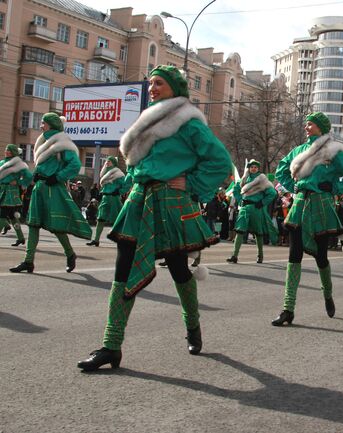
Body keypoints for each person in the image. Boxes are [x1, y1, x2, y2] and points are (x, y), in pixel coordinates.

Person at [77, 65, 232, 372]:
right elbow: (136, 164)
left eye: (159, 83)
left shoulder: (189, 123)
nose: (153, 88)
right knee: (123, 267)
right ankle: (111, 346)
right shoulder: (147, 123)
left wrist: (190, 183)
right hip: (139, 201)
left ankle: (192, 325)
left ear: (176, 88)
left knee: (178, 269)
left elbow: (220, 162)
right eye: (150, 84)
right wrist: (134, 180)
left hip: (172, 203)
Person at [271, 112, 343, 325]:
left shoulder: (332, 151)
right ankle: (288, 309)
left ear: (320, 127)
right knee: (294, 256)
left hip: (321, 207)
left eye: (310, 124)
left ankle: (328, 294)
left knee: (321, 257)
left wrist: (334, 187)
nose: (306, 127)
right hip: (300, 205)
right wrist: (293, 186)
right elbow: (282, 170)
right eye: (306, 124)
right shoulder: (299, 150)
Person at [10, 113, 92, 273]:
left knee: (56, 226)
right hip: (40, 188)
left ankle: (70, 254)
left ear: (51, 124)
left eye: (43, 123)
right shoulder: (45, 141)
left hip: (52, 189)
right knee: (33, 224)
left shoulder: (62, 142)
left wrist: (58, 177)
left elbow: (75, 164)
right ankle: (28, 261)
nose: (41, 126)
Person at [227, 160, 277, 264]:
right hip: (244, 208)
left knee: (258, 233)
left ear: (258, 168)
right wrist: (240, 199)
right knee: (239, 231)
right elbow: (236, 189)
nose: (253, 168)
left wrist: (262, 203)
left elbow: (272, 193)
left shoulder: (262, 179)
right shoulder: (244, 179)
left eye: (255, 167)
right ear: (249, 168)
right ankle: (234, 256)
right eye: (251, 167)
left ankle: (260, 255)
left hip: (256, 209)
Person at [87, 156, 130, 246]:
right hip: (105, 198)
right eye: (106, 161)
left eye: (109, 161)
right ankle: (96, 240)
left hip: (114, 199)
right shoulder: (105, 173)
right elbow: (104, 187)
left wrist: (118, 191)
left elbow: (126, 185)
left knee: (118, 220)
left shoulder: (118, 174)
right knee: (100, 219)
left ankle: (125, 240)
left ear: (114, 163)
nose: (107, 162)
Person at [0, 144, 33, 246]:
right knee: (13, 217)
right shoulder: (2, 162)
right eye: (6, 150)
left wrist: (19, 182)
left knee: (1, 215)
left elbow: (29, 176)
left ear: (13, 152)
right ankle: (21, 238)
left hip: (10, 193)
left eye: (8, 150)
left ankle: (20, 238)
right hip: (2, 190)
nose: (6, 152)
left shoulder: (19, 164)